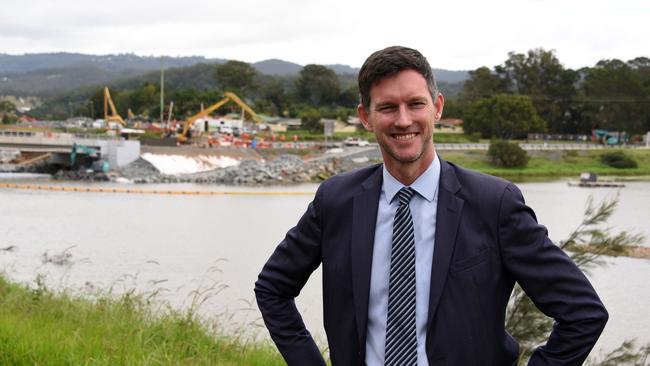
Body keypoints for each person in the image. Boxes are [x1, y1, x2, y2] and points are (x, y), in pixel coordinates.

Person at [255, 46, 607, 366]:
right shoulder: (336, 201)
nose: (404, 120)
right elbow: (272, 287)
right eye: (388, 107)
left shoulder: (494, 204)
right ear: (366, 116)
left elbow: (583, 313)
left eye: (415, 104)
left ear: (437, 107)